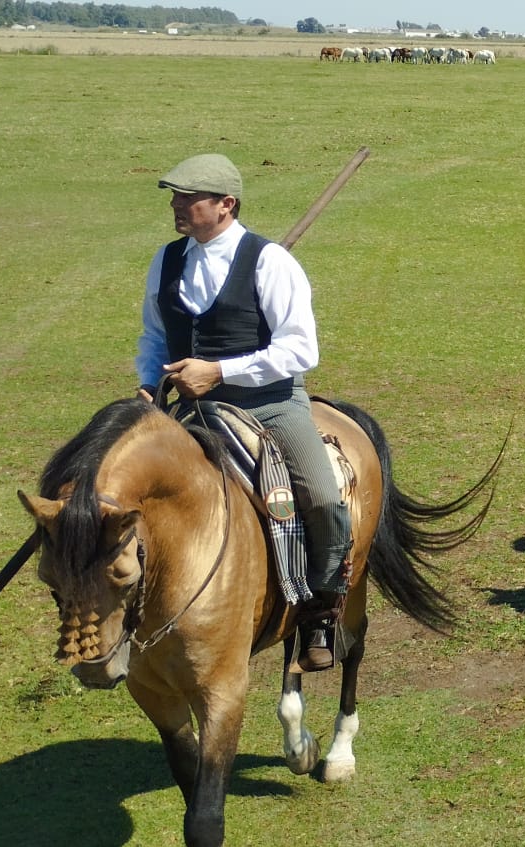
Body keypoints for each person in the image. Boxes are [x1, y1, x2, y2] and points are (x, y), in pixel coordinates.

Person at [135, 153, 348, 671]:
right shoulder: (165, 260)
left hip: (270, 404)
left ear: (226, 204)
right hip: (189, 409)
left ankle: (322, 605)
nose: (175, 205)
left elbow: (300, 351)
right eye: (175, 196)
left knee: (320, 497)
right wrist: (147, 383)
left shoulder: (272, 262)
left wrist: (220, 371)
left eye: (188, 198)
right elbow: (154, 334)